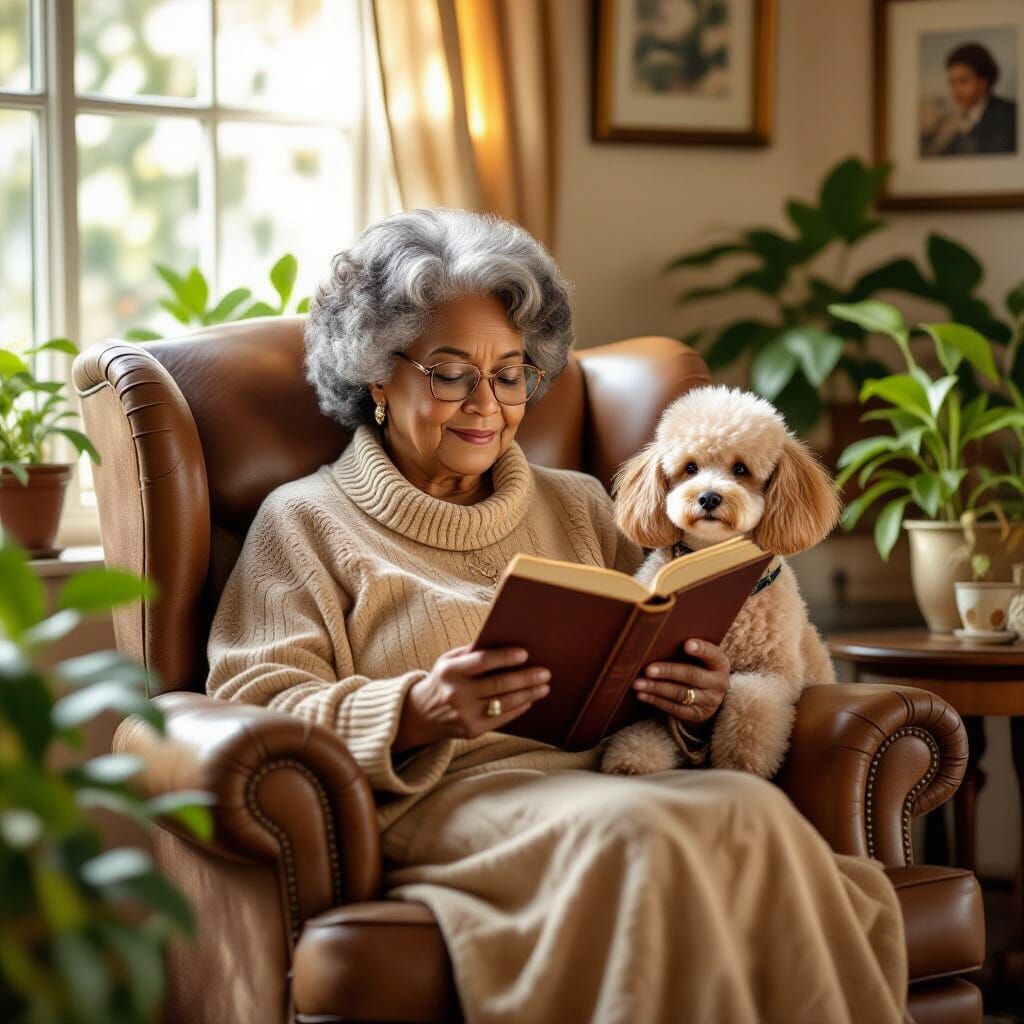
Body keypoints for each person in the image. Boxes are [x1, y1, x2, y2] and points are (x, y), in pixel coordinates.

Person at [205, 208, 908, 1023]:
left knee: (748, 811)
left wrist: (694, 700)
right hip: (457, 804)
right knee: (648, 837)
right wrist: (415, 711)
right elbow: (252, 705)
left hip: (618, 782)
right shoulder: (304, 522)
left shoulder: (583, 505)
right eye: (450, 370)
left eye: (509, 373)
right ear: (374, 374)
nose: (487, 403)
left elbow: (649, 633)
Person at [922, 40, 1018, 156]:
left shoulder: (1010, 114)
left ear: (983, 81)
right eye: (952, 83)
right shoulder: (950, 122)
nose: (956, 91)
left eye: (963, 81)